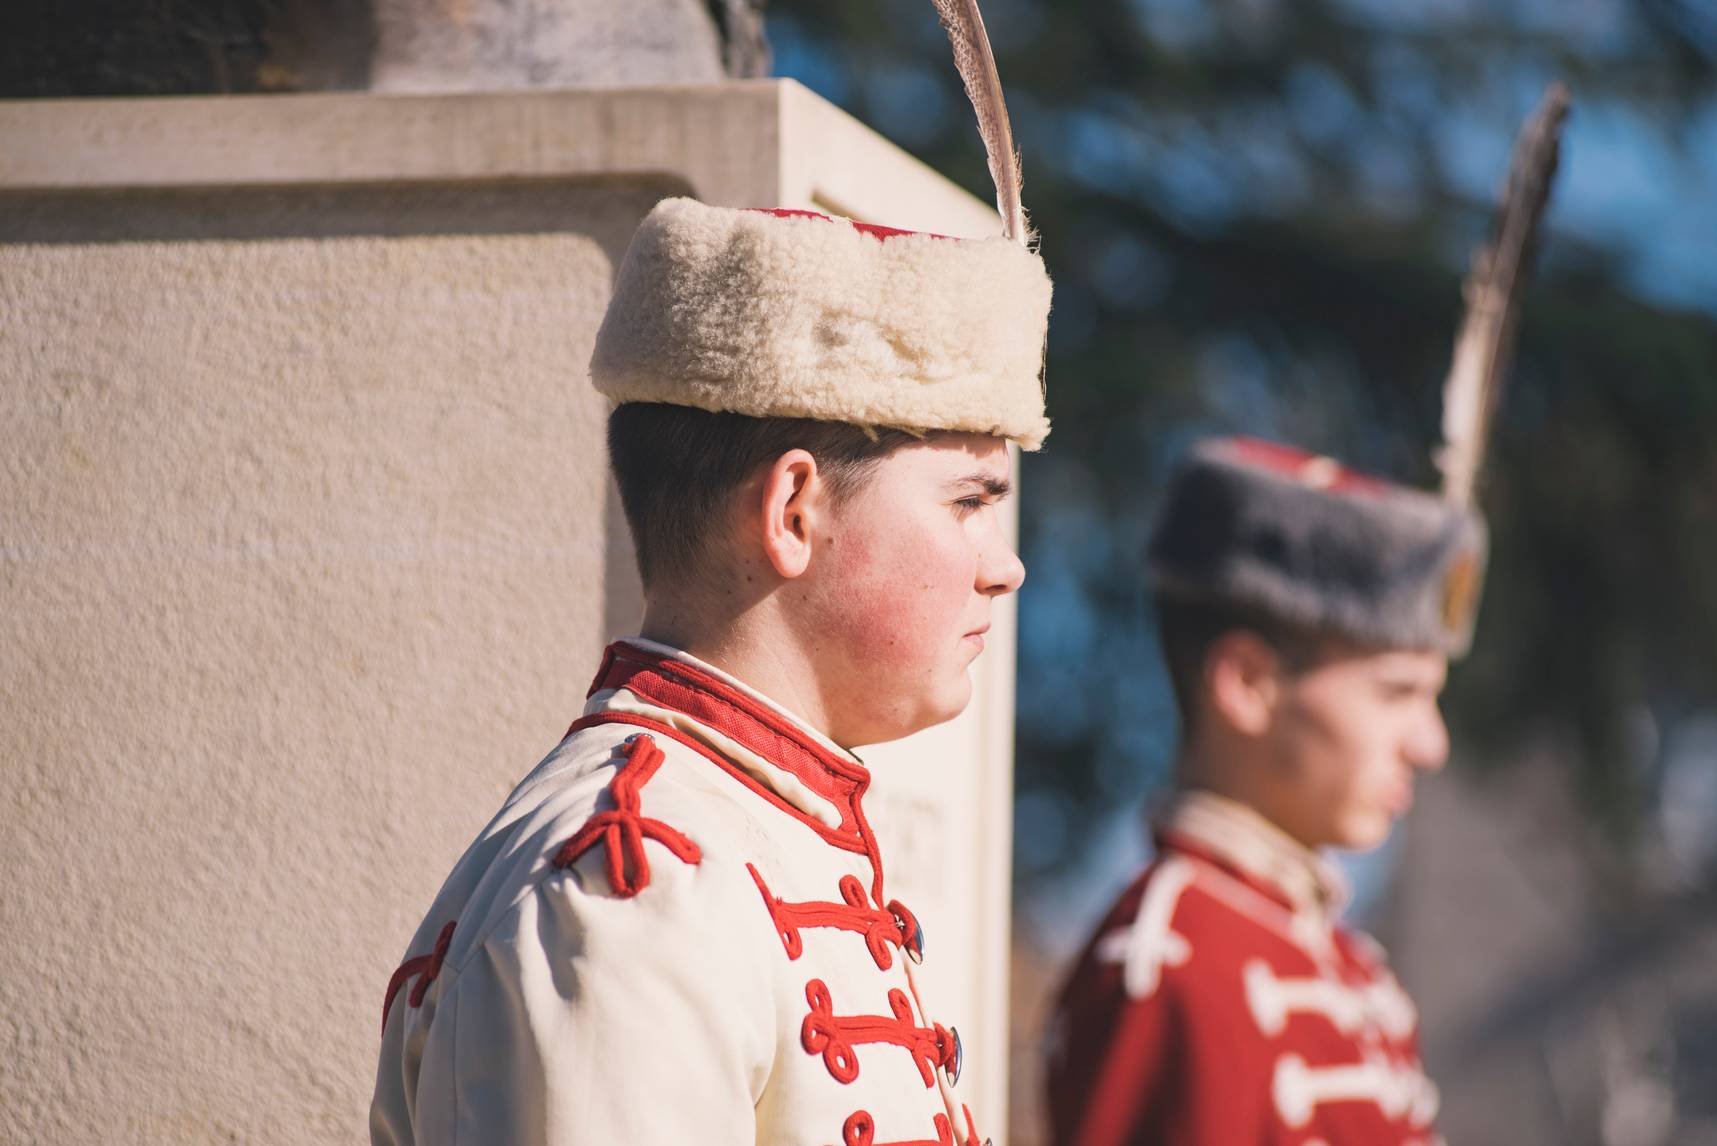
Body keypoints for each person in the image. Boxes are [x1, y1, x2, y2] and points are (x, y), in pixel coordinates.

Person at [370, 191, 1050, 1146]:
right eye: (967, 501)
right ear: (793, 514)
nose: (1005, 565)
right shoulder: (632, 888)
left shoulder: (732, 834)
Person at [1045, 435, 1483, 1146]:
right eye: (1395, 693)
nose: (1429, 743)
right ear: (1247, 684)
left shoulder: (1346, 963)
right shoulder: (1166, 968)